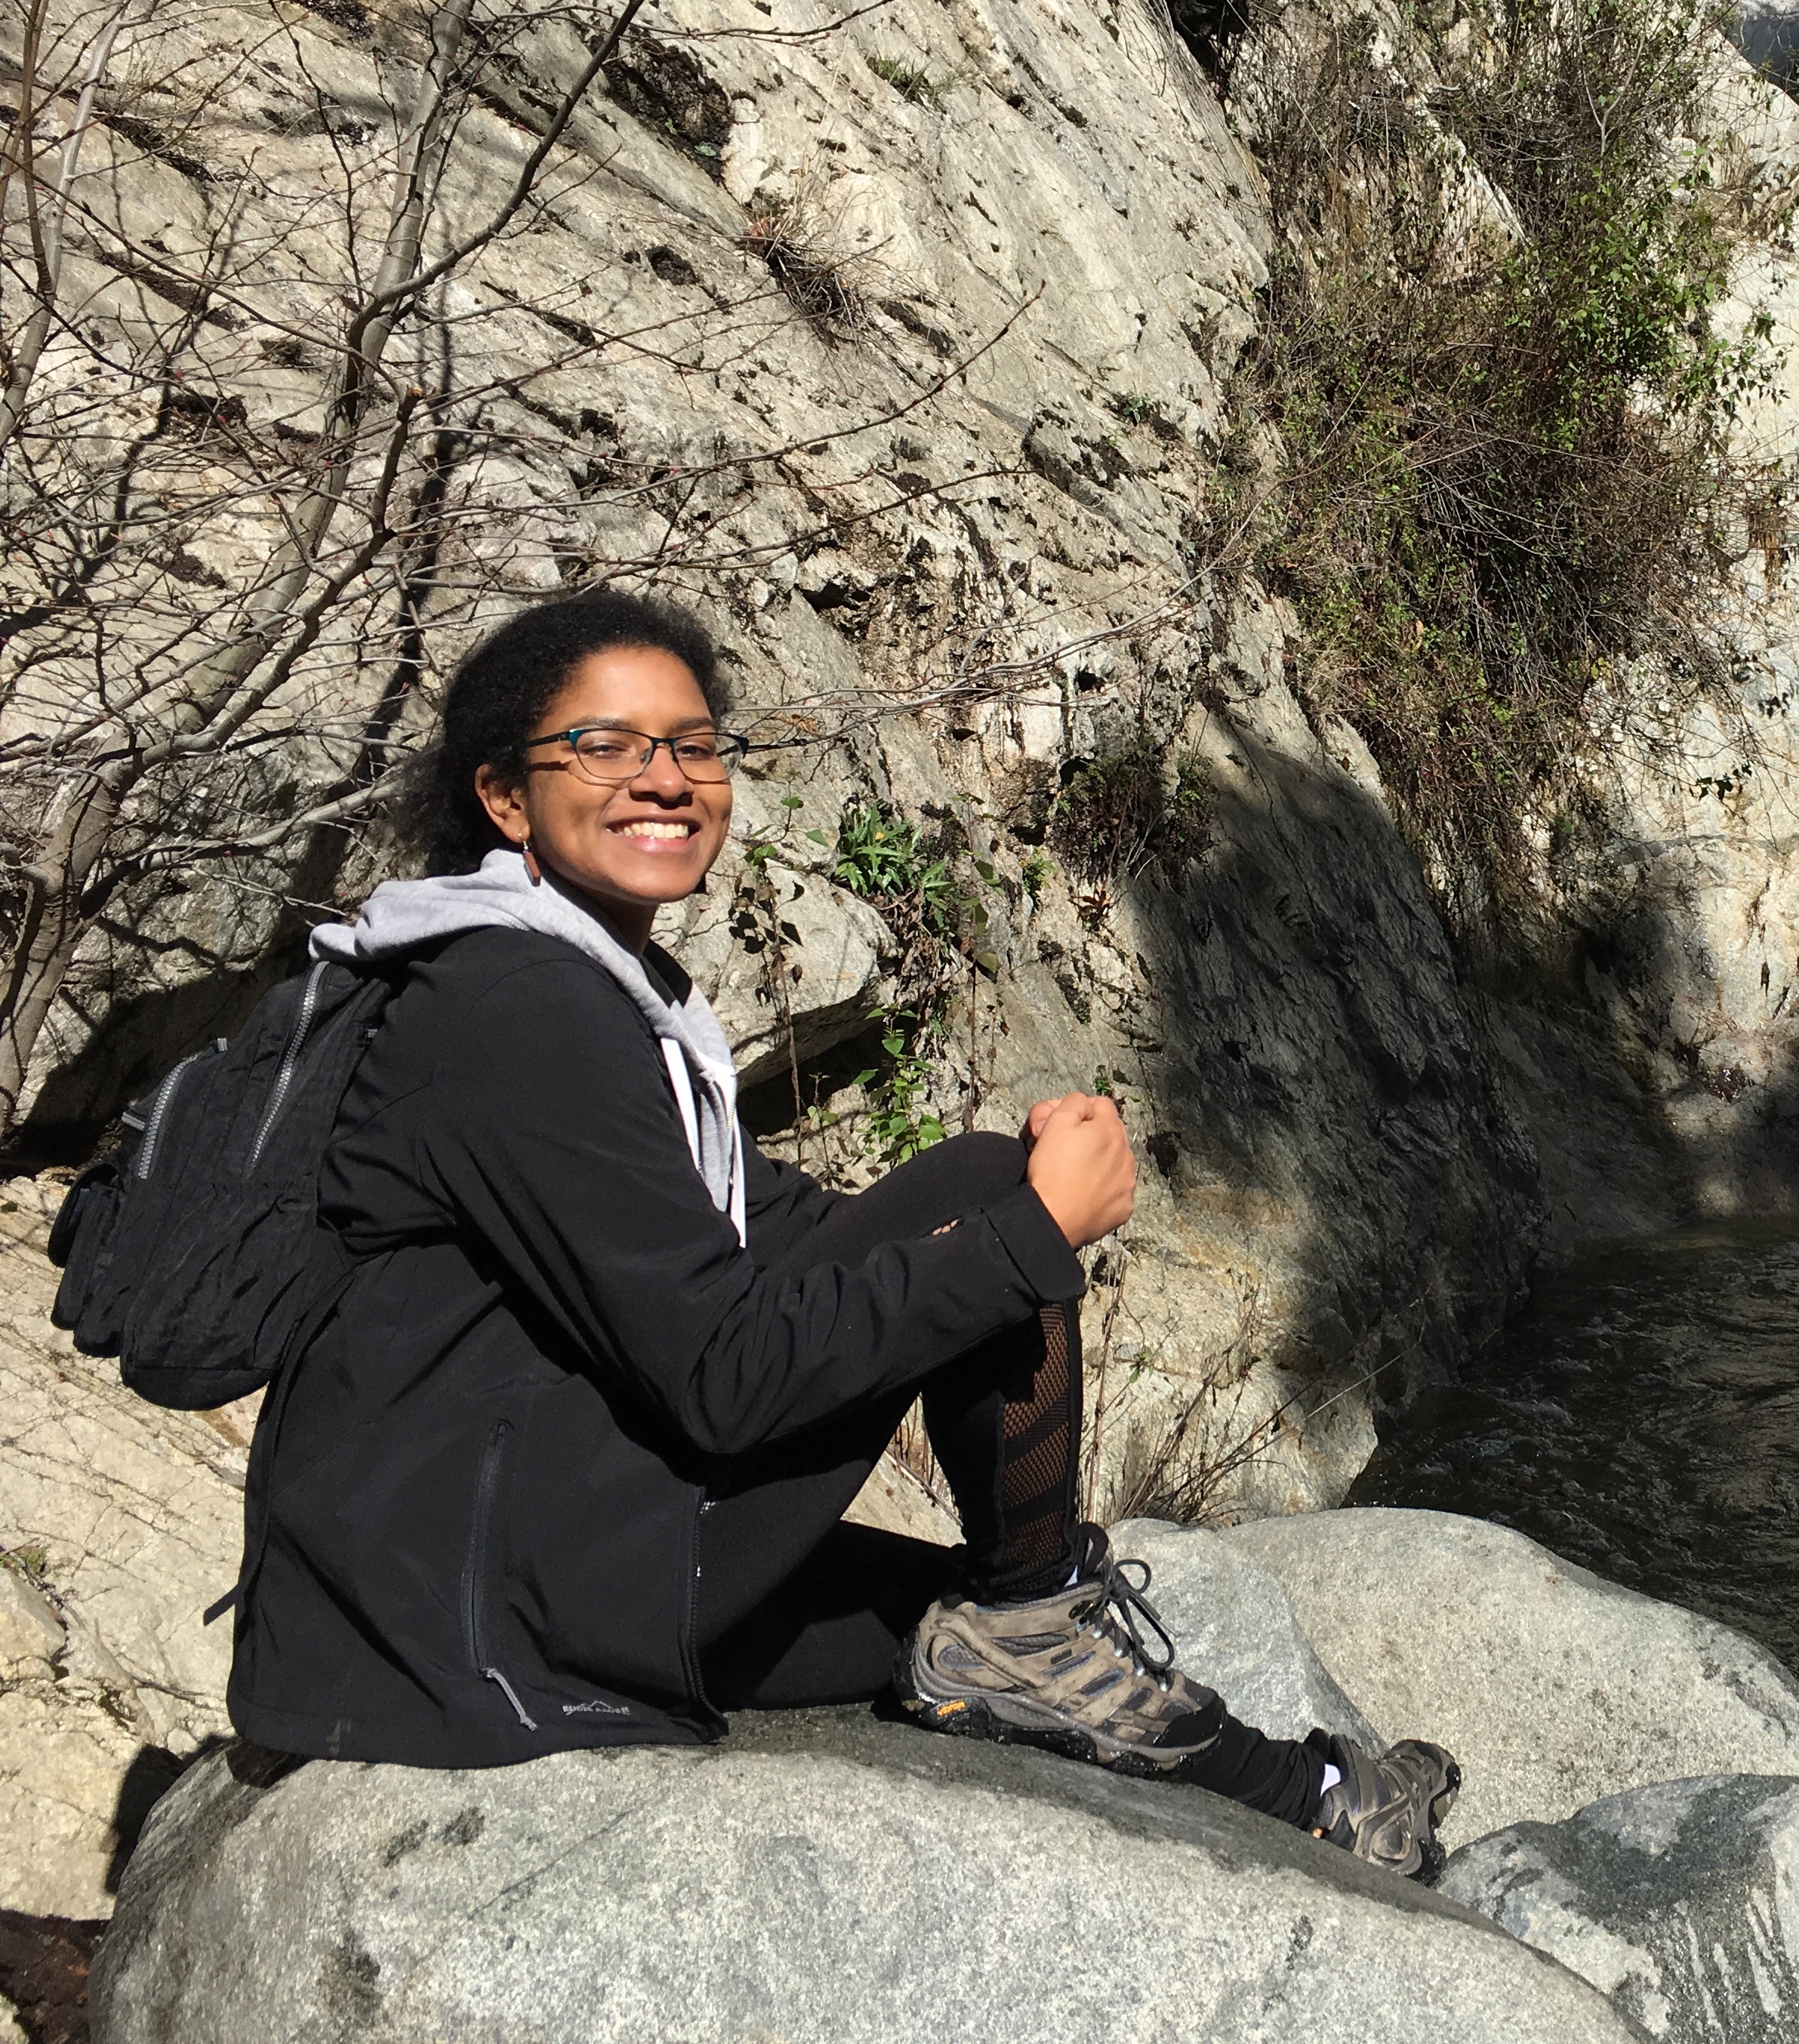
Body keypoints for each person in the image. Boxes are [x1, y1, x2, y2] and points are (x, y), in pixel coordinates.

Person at [229, 589, 1457, 1876]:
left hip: (479, 1574)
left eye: (694, 746)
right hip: (469, 1615)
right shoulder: (517, 1009)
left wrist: (974, 1228)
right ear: (502, 796)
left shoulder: (553, 983)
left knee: (948, 1633)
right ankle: (1049, 1627)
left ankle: (1311, 1791)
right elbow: (728, 1378)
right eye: (606, 745)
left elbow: (751, 1223)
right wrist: (1025, 1226)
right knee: (990, 1211)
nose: (664, 777)